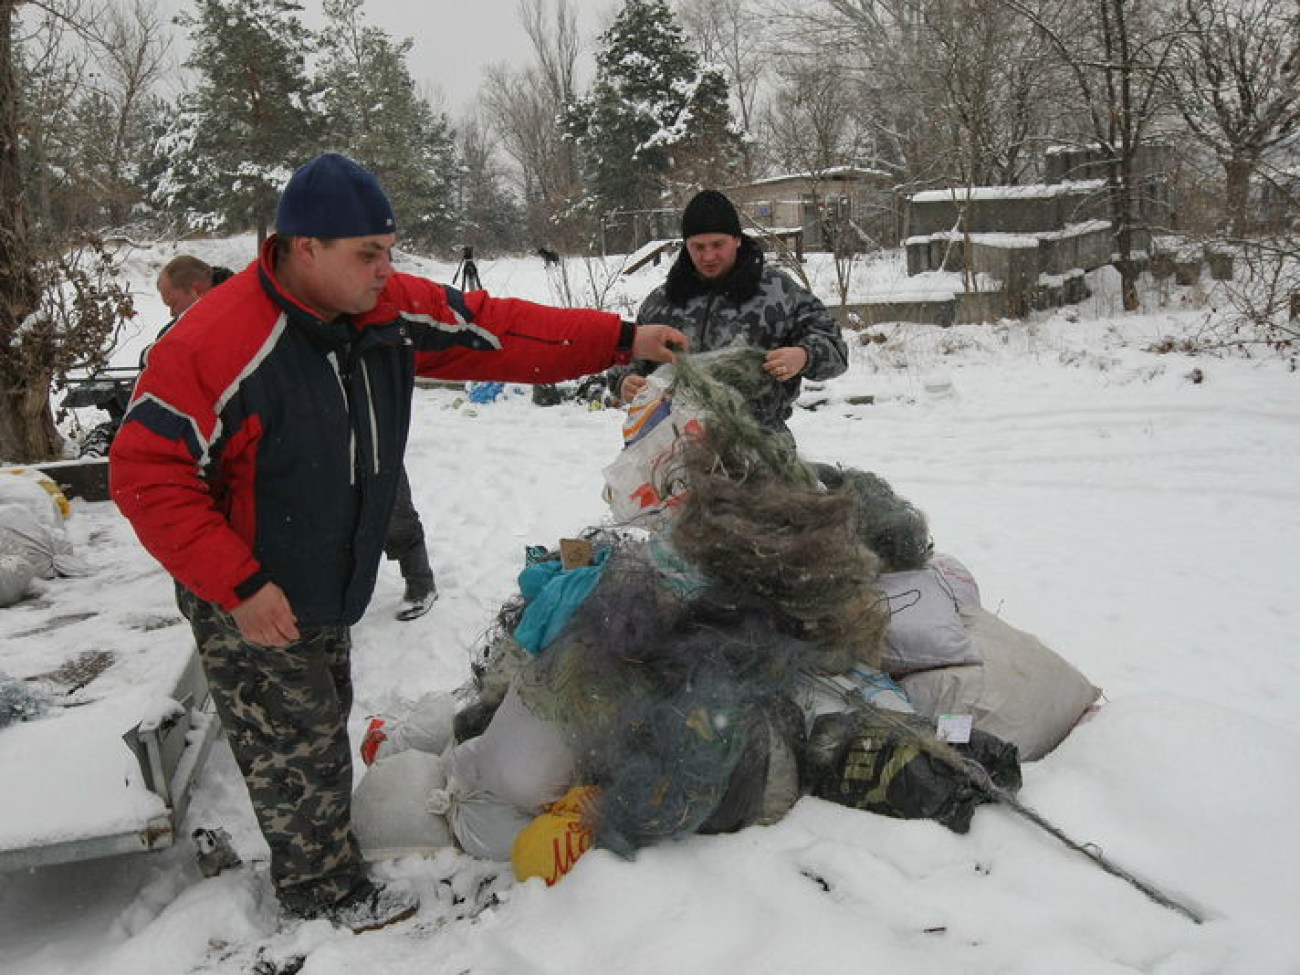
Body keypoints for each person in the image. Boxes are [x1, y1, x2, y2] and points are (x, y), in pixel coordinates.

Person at [109, 153, 686, 933]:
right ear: (303, 247)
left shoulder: (380, 308)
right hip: (251, 581)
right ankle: (321, 897)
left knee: (320, 721)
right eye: (368, 255)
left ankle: (319, 858)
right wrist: (238, 586)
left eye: (390, 250)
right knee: (297, 741)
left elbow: (497, 328)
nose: (387, 270)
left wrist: (623, 336)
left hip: (325, 572)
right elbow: (145, 470)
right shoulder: (216, 342)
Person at [160, 255, 437, 622]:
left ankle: (419, 579)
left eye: (172, 303)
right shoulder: (198, 327)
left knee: (385, 501)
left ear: (196, 289)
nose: (170, 313)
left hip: (347, 417)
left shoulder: (266, 296)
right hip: (282, 443)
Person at [609, 189, 848, 439]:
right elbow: (626, 356)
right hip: (675, 449)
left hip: (762, 449)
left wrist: (803, 355)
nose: (708, 256)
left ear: (737, 239)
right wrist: (626, 381)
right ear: (685, 246)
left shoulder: (779, 292)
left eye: (717, 245)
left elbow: (836, 350)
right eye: (698, 247)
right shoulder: (662, 301)